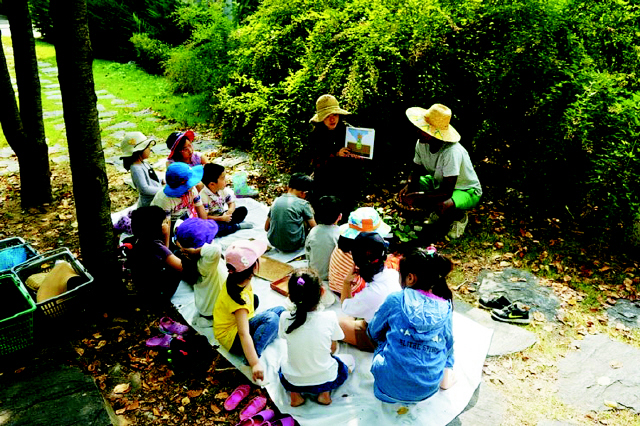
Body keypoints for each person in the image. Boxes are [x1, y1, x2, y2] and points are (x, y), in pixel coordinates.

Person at [368, 246, 455, 403]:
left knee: (383, 339)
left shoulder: (395, 300)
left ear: (410, 278)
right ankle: (446, 375)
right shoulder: (446, 306)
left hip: (387, 387)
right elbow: (448, 343)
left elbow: (373, 331)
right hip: (427, 390)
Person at [399, 103, 482, 239]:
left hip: (465, 190)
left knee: (444, 204)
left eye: (423, 129)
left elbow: (446, 192)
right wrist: (409, 187)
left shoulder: (451, 152)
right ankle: (426, 213)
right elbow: (415, 171)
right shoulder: (421, 143)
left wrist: (416, 196)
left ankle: (459, 217)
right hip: (439, 182)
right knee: (405, 184)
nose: (418, 131)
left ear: (434, 134)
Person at [213, 240, 285, 382]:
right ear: (253, 268)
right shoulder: (239, 301)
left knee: (281, 310)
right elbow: (243, 334)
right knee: (272, 320)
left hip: (239, 323)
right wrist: (255, 364)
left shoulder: (237, 278)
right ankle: (249, 359)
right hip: (233, 339)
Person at [278, 269, 352, 407]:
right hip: (325, 378)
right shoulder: (329, 317)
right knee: (346, 363)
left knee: (283, 363)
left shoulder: (284, 317)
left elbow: (284, 338)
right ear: (322, 292)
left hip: (293, 380)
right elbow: (333, 348)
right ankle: (324, 395)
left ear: (290, 296)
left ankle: (295, 396)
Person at [338, 232, 401, 352]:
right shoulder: (394, 274)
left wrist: (346, 283)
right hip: (396, 329)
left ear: (356, 262)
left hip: (383, 339)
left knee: (338, 324)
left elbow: (345, 307)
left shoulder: (369, 295)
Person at [307, 94, 364, 217]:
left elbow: (361, 158)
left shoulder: (350, 131)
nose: (332, 119)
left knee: (346, 217)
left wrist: (357, 157)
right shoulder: (315, 135)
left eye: (335, 115)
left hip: (347, 183)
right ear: (321, 118)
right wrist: (336, 154)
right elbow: (315, 162)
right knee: (325, 218)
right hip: (324, 184)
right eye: (327, 116)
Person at [328, 207, 397, 295]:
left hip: (335, 285)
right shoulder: (360, 250)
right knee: (393, 264)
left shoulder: (344, 243)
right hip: (351, 289)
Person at [175, 217, 227, 328]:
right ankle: (208, 321)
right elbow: (216, 250)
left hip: (204, 305)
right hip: (213, 309)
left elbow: (178, 225)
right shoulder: (205, 263)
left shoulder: (189, 260)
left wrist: (184, 248)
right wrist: (194, 251)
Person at [128, 206, 183, 302]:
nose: (166, 225)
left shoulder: (139, 240)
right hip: (157, 294)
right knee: (182, 258)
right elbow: (181, 266)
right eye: (163, 222)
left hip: (144, 288)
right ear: (155, 228)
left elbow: (165, 252)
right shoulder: (155, 246)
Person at [151, 162, 207, 241]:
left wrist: (205, 231)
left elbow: (201, 211)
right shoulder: (164, 199)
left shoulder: (191, 190)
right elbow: (166, 227)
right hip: (161, 225)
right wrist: (168, 251)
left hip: (181, 218)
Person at [265, 173, 316, 252]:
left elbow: (266, 228)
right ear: (304, 193)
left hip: (273, 242)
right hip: (293, 245)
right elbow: (315, 228)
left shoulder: (276, 200)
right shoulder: (303, 204)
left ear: (288, 187)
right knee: (307, 217)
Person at [200, 163, 252, 236]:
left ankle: (228, 224)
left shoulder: (222, 190)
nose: (226, 180)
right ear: (212, 184)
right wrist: (221, 218)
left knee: (242, 210)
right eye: (223, 178)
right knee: (211, 229)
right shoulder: (203, 196)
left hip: (224, 215)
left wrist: (230, 211)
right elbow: (205, 217)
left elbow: (231, 202)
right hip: (214, 220)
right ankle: (236, 227)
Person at [120, 132, 163, 208]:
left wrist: (161, 181)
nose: (150, 149)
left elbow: (152, 178)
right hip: (149, 204)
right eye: (147, 147)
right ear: (139, 151)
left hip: (156, 199)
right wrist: (162, 191)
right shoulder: (136, 168)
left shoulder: (144, 163)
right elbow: (144, 189)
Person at [305, 196, 341, 282]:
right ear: (340, 216)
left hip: (314, 274)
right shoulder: (341, 234)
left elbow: (307, 253)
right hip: (332, 277)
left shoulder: (314, 231)